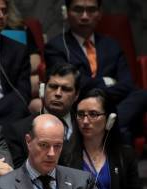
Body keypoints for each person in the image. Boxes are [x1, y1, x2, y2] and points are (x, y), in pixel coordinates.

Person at [44, 0, 147, 145]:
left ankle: (110, 124)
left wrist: (96, 91)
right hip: (80, 106)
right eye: (78, 10)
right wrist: (107, 82)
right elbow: (73, 85)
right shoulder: (56, 47)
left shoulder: (112, 44)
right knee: (122, 131)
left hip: (114, 105)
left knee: (142, 94)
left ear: (99, 13)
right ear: (66, 12)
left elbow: (127, 83)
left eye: (91, 10)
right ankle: (111, 126)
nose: (85, 16)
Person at [60, 89, 144, 189]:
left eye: (93, 114)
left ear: (110, 118)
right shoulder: (64, 154)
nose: (85, 121)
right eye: (81, 114)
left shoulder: (125, 155)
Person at [3, 62, 80, 168]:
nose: (58, 93)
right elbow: (19, 178)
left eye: (66, 89)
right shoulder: (18, 131)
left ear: (76, 95)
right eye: (53, 87)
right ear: (42, 89)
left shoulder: (85, 126)